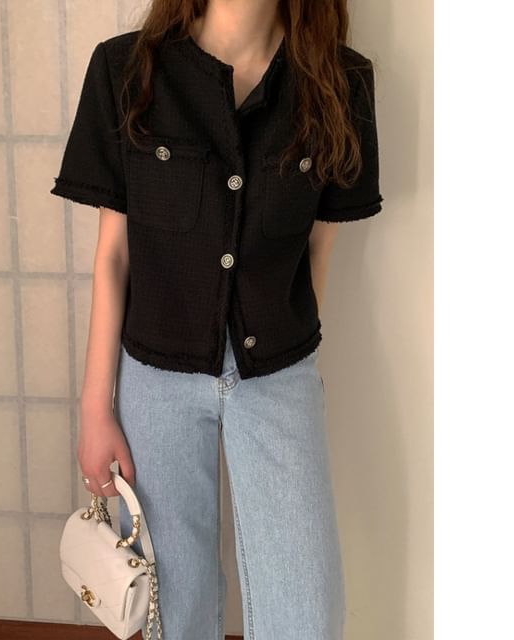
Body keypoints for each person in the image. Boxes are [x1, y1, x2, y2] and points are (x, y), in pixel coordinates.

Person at [50, 1, 383, 638]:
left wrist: (295, 369)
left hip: (280, 373)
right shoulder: (127, 70)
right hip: (155, 378)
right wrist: (96, 407)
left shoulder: (341, 83)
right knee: (174, 609)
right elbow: (114, 256)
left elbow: (319, 251)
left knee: (306, 613)